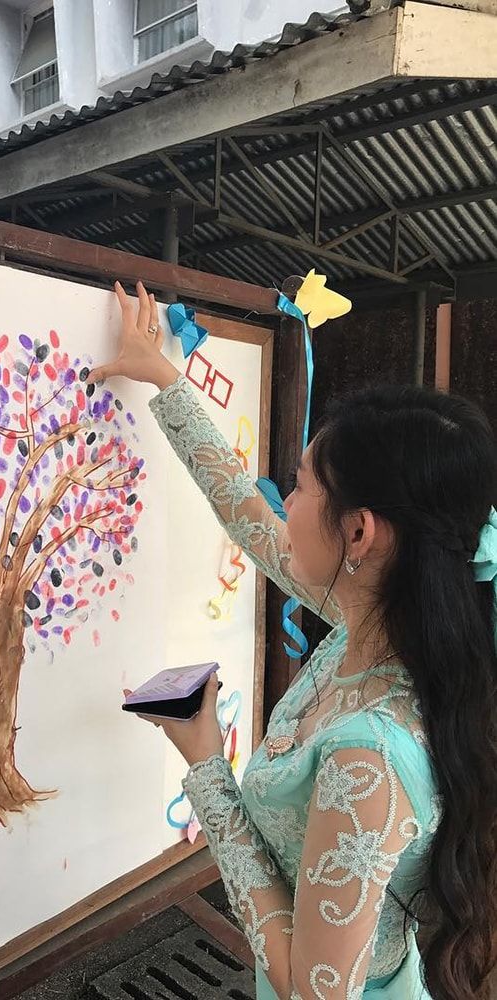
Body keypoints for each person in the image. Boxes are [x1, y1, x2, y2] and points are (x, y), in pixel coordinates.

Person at [88, 281, 497, 1000]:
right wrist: (164, 380)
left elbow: (315, 992)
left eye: (301, 486)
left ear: (359, 531)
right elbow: (250, 519)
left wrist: (206, 766)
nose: (287, 500)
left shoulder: (368, 754)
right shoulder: (378, 624)